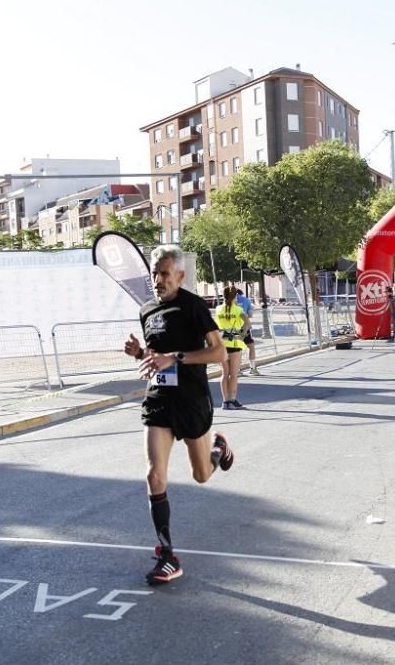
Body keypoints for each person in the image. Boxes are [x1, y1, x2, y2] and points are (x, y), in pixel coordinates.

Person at [122, 245, 236, 586]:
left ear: (180, 276)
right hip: (159, 399)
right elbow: (156, 356)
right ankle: (168, 555)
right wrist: (141, 353)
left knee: (202, 474)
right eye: (155, 274)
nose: (158, 281)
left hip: (191, 399)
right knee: (154, 476)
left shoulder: (193, 306)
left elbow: (219, 353)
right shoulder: (146, 310)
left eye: (164, 274)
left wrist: (175, 357)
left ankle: (219, 451)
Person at [216, 287, 251, 409]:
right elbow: (247, 322)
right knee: (234, 374)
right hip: (234, 343)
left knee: (224, 374)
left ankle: (225, 402)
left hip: (222, 343)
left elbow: (217, 326)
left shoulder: (218, 309)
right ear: (235, 296)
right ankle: (233, 399)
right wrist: (242, 334)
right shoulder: (238, 309)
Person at [234, 289, 260, 375]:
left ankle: (237, 370)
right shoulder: (245, 300)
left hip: (232, 327)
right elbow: (250, 315)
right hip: (244, 326)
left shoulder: (227, 301)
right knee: (251, 346)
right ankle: (253, 368)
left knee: (237, 349)